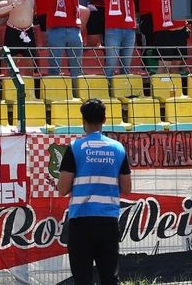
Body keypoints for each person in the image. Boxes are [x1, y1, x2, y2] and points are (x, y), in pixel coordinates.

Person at [58, 99, 132, 285]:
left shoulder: (75, 148)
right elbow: (127, 188)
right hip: (108, 221)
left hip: (81, 220)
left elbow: (62, 189)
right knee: (109, 277)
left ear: (83, 120)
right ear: (104, 119)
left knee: (82, 278)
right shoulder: (118, 148)